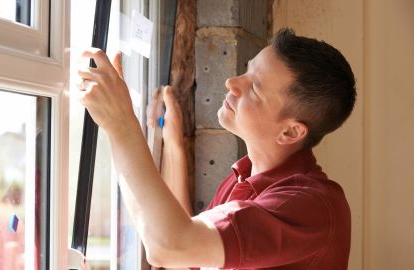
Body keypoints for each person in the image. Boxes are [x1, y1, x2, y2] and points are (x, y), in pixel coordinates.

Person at [77, 28, 356, 269]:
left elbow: (171, 246)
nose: (232, 83)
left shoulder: (311, 206)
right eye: (247, 70)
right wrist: (173, 146)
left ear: (291, 131)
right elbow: (188, 253)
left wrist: (121, 123)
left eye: (255, 88)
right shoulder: (241, 180)